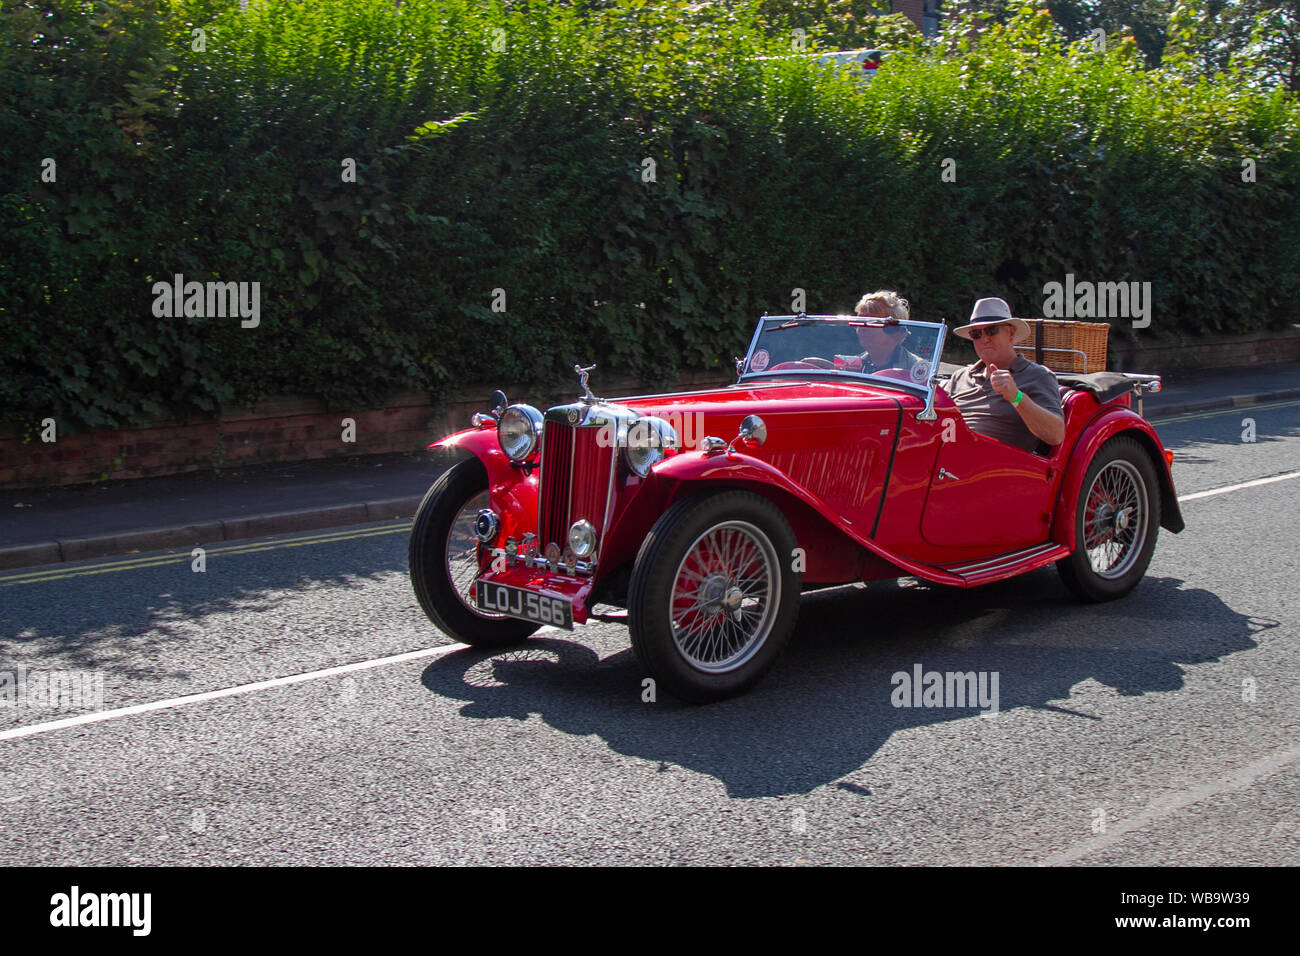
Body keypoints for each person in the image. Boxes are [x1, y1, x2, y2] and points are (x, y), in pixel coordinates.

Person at [944, 297, 1065, 452]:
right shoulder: (959, 377)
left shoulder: (1038, 375)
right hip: (948, 458)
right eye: (976, 334)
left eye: (991, 330)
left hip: (994, 467)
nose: (984, 339)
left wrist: (1016, 397)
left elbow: (1056, 435)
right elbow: (938, 421)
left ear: (1011, 333)